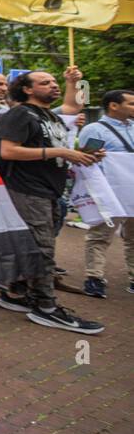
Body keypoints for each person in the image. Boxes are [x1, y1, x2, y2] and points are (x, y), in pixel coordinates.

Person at [0, 71, 104, 334]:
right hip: (28, 190)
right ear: (28, 90)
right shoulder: (21, 114)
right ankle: (46, 307)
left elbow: (73, 104)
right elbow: (8, 150)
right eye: (45, 83)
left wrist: (72, 82)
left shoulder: (51, 116)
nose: (52, 85)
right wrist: (62, 152)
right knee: (42, 247)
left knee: (34, 243)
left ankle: (17, 292)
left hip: (48, 190)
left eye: (55, 82)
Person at [78, 89, 134, 298]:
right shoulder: (95, 130)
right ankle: (94, 277)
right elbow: (86, 158)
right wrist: (93, 156)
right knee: (100, 235)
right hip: (111, 191)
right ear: (114, 105)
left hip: (133, 191)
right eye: (131, 104)